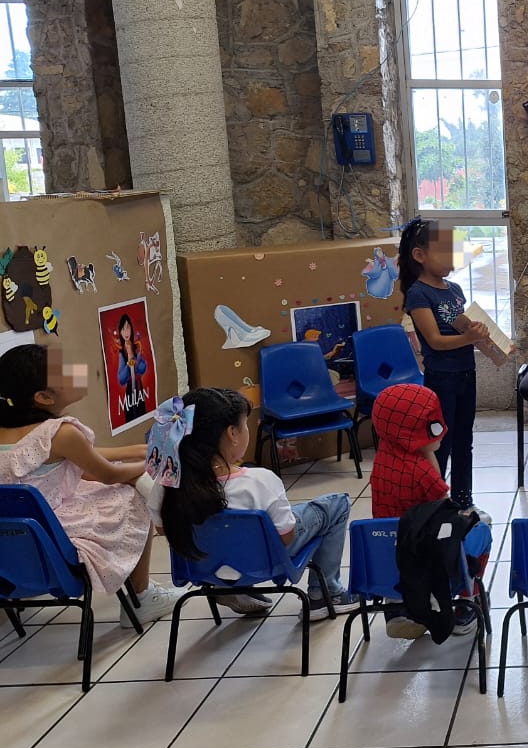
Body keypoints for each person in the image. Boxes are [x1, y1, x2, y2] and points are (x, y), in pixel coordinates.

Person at [0, 344, 180, 625]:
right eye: (65, 372)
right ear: (43, 397)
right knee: (130, 493)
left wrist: (138, 450)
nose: (78, 372)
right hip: (53, 537)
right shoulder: (61, 433)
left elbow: (77, 457)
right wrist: (156, 464)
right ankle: (142, 595)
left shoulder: (21, 432)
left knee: (119, 477)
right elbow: (105, 473)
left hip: (12, 549)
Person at [148, 387, 360, 621]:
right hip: (264, 563)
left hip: (204, 566)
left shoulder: (165, 485)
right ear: (232, 433)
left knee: (221, 531)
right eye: (245, 424)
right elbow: (286, 537)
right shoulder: (259, 481)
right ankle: (325, 593)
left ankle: (227, 587)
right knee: (335, 504)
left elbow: (162, 529)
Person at [369, 382, 491, 639]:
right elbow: (443, 509)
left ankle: (396, 609)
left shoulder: (382, 457)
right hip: (427, 552)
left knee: (392, 536)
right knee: (483, 528)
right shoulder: (422, 472)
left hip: (389, 548)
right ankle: (465, 605)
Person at [398, 217, 493, 516]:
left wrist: (492, 342)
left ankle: (464, 501)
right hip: (441, 380)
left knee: (465, 440)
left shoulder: (453, 289)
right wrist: (469, 336)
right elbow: (436, 341)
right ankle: (437, 504)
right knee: (442, 443)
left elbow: (464, 326)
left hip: (467, 374)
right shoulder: (418, 294)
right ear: (420, 255)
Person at [115, 313, 149, 421]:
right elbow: (121, 379)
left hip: (139, 389)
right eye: (123, 329)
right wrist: (129, 358)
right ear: (120, 332)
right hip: (130, 393)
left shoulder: (137, 348)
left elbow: (142, 368)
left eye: (128, 327)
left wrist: (133, 355)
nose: (126, 332)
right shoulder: (121, 353)